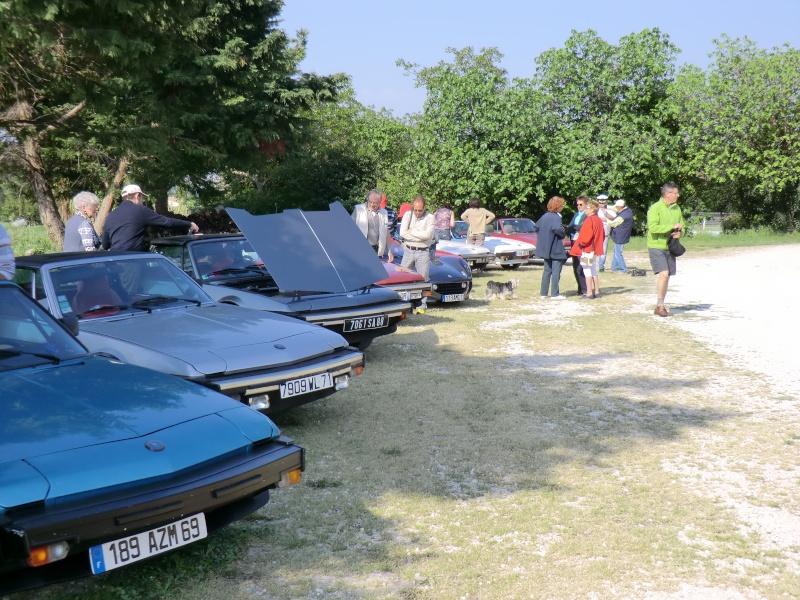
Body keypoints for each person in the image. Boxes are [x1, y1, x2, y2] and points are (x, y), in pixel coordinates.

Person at [101, 184, 199, 252]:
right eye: (142, 198)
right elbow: (167, 222)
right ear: (137, 196)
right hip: (131, 261)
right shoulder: (141, 211)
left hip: (114, 263)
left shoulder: (111, 215)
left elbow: (105, 245)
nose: (142, 201)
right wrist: (189, 224)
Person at [647, 182, 685, 317]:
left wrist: (680, 232)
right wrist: (670, 227)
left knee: (667, 276)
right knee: (664, 273)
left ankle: (660, 304)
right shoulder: (655, 208)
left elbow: (682, 225)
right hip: (656, 245)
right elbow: (653, 228)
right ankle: (660, 306)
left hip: (670, 246)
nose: (678, 195)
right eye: (675, 193)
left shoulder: (677, 208)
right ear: (667, 194)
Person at [399, 196, 435, 314]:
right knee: (403, 278)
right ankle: (404, 304)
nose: (417, 212)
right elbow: (402, 233)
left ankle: (421, 306)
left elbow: (427, 236)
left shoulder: (430, 217)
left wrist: (413, 232)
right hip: (408, 250)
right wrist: (419, 237)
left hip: (423, 251)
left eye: (420, 210)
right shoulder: (407, 215)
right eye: (415, 210)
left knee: (423, 279)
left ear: (424, 208)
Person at [532, 196, 568, 299]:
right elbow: (558, 229)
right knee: (556, 271)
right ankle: (555, 294)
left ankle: (543, 293)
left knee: (547, 271)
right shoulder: (556, 217)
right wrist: (563, 233)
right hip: (555, 248)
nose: (562, 207)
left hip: (546, 248)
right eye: (561, 205)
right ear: (558, 206)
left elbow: (536, 227)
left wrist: (544, 236)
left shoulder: (545, 216)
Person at [569, 199, 605, 299]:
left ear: (592, 209)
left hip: (587, 249)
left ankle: (589, 292)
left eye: (587, 207)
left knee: (586, 269)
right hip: (594, 248)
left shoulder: (589, 220)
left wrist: (580, 245)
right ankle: (596, 291)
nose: (586, 209)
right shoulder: (598, 220)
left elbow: (586, 235)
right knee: (593, 269)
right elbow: (602, 236)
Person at [351, 189, 394, 262]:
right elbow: (349, 228)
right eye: (370, 201)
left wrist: (389, 250)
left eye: (375, 203)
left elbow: (386, 232)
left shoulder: (384, 213)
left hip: (376, 250)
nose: (372, 204)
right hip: (360, 249)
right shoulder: (358, 209)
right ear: (367, 199)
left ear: (380, 202)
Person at [566, 195, 588, 296]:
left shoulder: (587, 215)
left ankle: (585, 289)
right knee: (575, 266)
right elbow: (570, 227)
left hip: (581, 242)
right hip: (573, 241)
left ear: (586, 205)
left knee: (581, 266)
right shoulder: (576, 215)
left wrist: (575, 227)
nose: (578, 206)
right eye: (577, 205)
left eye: (581, 204)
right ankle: (580, 289)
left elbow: (582, 228)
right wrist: (574, 227)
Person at [609, 199, 634, 273]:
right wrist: (604, 206)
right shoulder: (627, 210)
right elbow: (613, 208)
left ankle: (623, 269)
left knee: (618, 253)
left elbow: (613, 224)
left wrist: (604, 221)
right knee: (616, 251)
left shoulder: (623, 216)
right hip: (622, 234)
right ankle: (614, 267)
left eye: (617, 207)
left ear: (620, 207)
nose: (615, 208)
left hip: (621, 235)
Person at [595, 194, 617, 272]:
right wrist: (601, 219)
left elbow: (614, 217)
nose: (602, 204)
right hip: (595, 232)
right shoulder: (595, 209)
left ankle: (601, 266)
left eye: (603, 202)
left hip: (605, 232)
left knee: (603, 250)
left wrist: (605, 213)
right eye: (600, 202)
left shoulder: (609, 209)